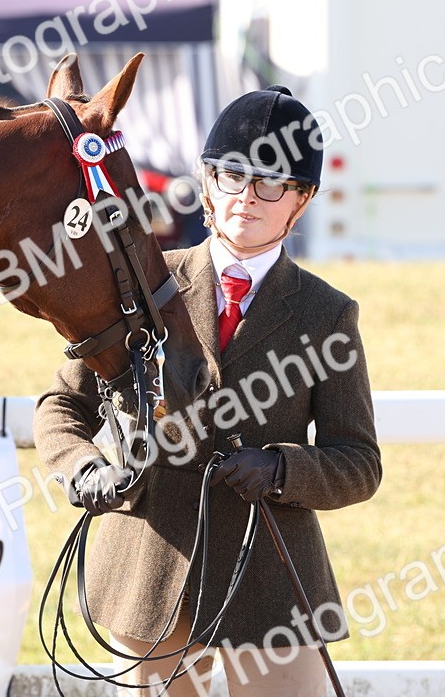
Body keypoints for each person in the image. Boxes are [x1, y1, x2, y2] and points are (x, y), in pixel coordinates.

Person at [33, 86, 382, 697]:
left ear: (301, 202)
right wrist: (84, 468)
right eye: (231, 175)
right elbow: (63, 406)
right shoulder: (145, 281)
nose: (246, 195)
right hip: (150, 561)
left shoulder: (327, 313)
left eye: (270, 183)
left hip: (269, 571)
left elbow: (359, 464)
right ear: (207, 181)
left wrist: (281, 468)